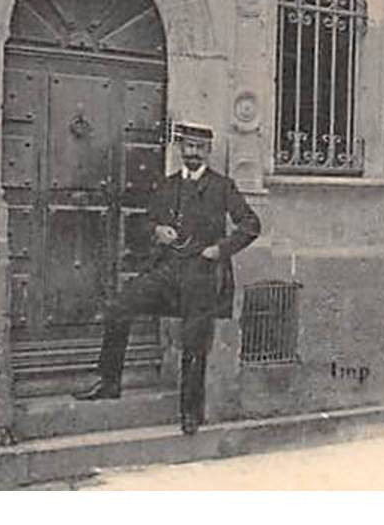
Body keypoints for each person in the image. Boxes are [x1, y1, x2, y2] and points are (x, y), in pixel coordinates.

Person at [75, 122, 261, 435]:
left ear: (208, 152)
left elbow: (251, 225)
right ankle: (109, 382)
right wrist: (156, 231)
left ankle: (191, 413)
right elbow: (145, 223)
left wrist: (220, 249)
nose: (193, 153)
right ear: (179, 149)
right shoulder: (167, 184)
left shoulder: (222, 187)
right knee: (119, 307)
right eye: (188, 147)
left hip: (202, 274)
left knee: (194, 341)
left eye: (199, 148)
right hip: (167, 270)